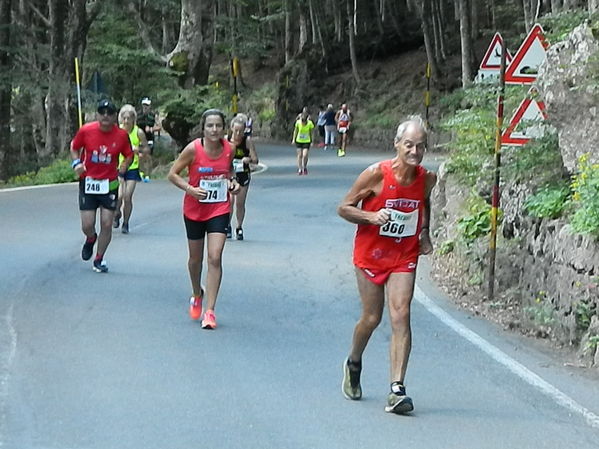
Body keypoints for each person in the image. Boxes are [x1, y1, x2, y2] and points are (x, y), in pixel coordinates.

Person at [337, 116, 436, 414]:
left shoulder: (426, 178)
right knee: (371, 318)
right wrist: (371, 217)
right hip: (370, 254)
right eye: (409, 145)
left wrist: (424, 232)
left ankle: (397, 389)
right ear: (397, 145)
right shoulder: (376, 175)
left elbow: (424, 201)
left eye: (420, 146)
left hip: (404, 255)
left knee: (401, 314)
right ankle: (354, 362)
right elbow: (344, 207)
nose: (415, 152)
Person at [167, 109, 240, 329]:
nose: (214, 130)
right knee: (195, 260)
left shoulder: (230, 149)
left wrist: (232, 183)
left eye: (218, 125)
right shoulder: (193, 149)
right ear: (203, 128)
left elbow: (228, 172)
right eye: (210, 126)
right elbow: (172, 174)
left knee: (215, 257)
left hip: (219, 208)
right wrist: (190, 189)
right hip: (195, 210)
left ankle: (210, 311)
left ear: (223, 128)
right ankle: (196, 292)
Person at [70, 99, 133, 273]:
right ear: (97, 114)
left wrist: (124, 166)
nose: (105, 116)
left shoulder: (121, 135)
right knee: (87, 224)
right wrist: (76, 163)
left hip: (109, 184)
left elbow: (129, 154)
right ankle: (91, 238)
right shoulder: (86, 130)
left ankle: (99, 258)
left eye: (110, 113)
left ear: (115, 117)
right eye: (102, 112)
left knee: (106, 223)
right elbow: (74, 147)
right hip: (88, 182)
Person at [113, 104, 150, 234]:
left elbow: (146, 149)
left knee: (127, 197)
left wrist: (138, 150)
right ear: (120, 119)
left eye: (129, 118)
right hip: (119, 167)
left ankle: (126, 223)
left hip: (133, 168)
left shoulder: (138, 132)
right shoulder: (117, 132)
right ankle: (117, 213)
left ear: (134, 119)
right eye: (124, 118)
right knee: (119, 195)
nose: (126, 121)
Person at [228, 113, 259, 240]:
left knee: (240, 203)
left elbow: (255, 160)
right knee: (229, 202)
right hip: (230, 174)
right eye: (236, 131)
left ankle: (239, 227)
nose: (238, 134)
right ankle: (227, 225)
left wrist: (248, 159)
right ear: (231, 129)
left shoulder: (247, 142)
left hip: (243, 174)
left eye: (240, 131)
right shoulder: (225, 141)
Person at [137, 97, 157, 180]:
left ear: (150, 106)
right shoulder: (138, 115)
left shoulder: (153, 115)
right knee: (140, 156)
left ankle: (148, 175)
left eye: (147, 105)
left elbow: (159, 126)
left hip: (149, 138)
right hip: (140, 138)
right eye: (144, 105)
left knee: (148, 157)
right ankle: (141, 172)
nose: (145, 107)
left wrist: (151, 129)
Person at [292, 108, 315, 175]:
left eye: (304, 122)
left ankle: (304, 167)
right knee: (299, 155)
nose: (303, 123)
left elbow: (312, 133)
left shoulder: (310, 124)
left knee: (305, 155)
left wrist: (312, 141)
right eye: (302, 122)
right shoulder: (298, 123)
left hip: (306, 141)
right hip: (299, 140)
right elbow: (295, 131)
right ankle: (300, 169)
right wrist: (294, 139)